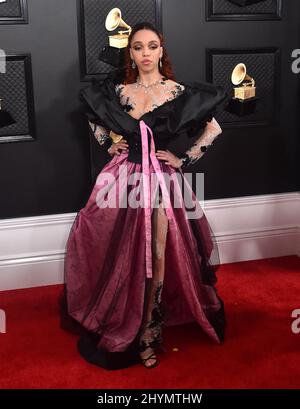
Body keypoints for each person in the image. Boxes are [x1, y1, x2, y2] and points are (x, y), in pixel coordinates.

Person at [63, 22, 227, 370]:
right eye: (138, 47)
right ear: (131, 54)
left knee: (157, 251)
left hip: (162, 184)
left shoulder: (177, 91)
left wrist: (184, 158)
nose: (146, 53)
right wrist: (109, 143)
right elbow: (95, 117)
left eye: (152, 46)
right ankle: (126, 316)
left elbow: (213, 127)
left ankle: (150, 331)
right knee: (124, 249)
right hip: (124, 179)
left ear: (161, 51)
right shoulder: (119, 91)